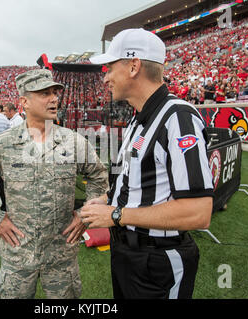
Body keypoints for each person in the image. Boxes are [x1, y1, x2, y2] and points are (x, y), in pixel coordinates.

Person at [84, 28, 214, 299]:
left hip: (157, 259)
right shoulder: (138, 118)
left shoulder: (178, 117)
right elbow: (137, 179)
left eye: (109, 68)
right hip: (127, 252)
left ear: (134, 66)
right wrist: (106, 199)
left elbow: (198, 212)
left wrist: (116, 215)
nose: (105, 77)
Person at [0, 69, 109, 299]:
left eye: (54, 93)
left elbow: (99, 176)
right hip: (18, 254)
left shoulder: (73, 141)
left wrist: (84, 215)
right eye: (44, 93)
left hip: (62, 256)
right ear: (24, 102)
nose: (53, 99)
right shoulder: (4, 144)